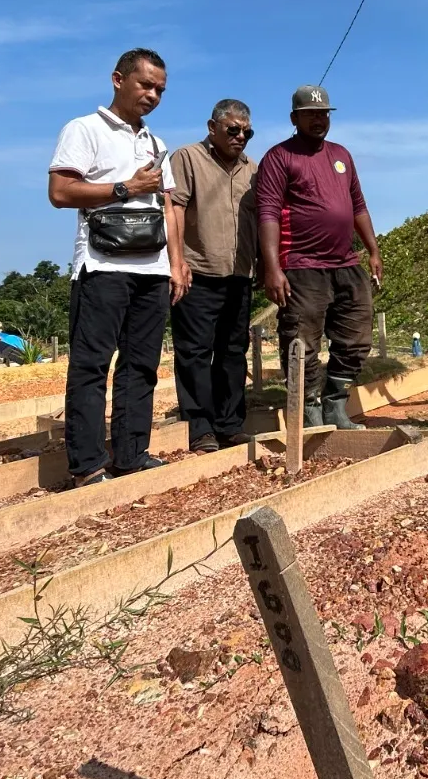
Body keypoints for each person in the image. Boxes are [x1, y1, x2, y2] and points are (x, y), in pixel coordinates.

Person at [48, 48, 187, 488]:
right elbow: (60, 191)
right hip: (102, 265)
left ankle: (131, 454)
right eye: (145, 85)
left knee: (141, 365)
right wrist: (126, 187)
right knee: (91, 366)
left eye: (160, 90)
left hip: (152, 268)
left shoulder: (156, 144)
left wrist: (176, 263)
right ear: (118, 79)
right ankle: (88, 465)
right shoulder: (83, 129)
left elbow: (168, 206)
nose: (153, 95)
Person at [256, 85, 382, 431]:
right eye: (310, 114)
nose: (319, 119)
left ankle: (335, 404)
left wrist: (373, 249)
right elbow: (267, 213)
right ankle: (308, 411)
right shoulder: (279, 157)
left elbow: (358, 206)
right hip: (301, 266)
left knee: (356, 336)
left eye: (324, 113)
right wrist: (273, 268)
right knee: (302, 342)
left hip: (345, 263)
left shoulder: (342, 155)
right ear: (294, 118)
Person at [169, 99, 259, 452]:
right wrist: (176, 262)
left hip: (239, 274)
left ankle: (230, 424)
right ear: (212, 127)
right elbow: (174, 209)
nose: (240, 137)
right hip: (198, 272)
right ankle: (200, 428)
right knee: (194, 353)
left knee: (233, 351)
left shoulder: (253, 169)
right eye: (232, 129)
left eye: (247, 132)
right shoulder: (187, 158)